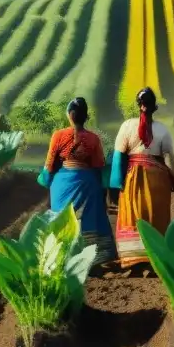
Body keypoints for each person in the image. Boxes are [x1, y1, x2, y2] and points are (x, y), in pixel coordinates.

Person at [39, 97, 117, 264]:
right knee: (94, 213)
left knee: (61, 216)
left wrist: (46, 180)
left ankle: (63, 254)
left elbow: (50, 164)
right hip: (87, 181)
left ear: (69, 115)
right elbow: (98, 165)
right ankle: (95, 254)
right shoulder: (93, 139)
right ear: (86, 117)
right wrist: (101, 189)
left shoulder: (58, 136)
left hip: (62, 183)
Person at [109, 87, 174, 268]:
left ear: (138, 105)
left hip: (134, 177)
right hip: (158, 179)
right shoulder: (162, 129)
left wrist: (116, 184)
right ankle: (154, 254)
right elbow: (169, 158)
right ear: (153, 106)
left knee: (134, 214)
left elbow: (118, 156)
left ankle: (134, 256)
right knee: (155, 214)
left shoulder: (126, 126)